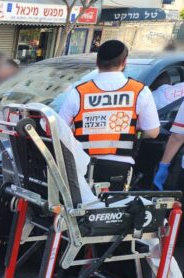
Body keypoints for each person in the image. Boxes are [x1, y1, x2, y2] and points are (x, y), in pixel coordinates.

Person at [59, 40, 160, 191]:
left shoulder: (79, 92)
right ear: (124, 62)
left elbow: (60, 128)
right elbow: (152, 132)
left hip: (82, 165)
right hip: (119, 167)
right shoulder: (139, 91)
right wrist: (133, 130)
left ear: (97, 62)